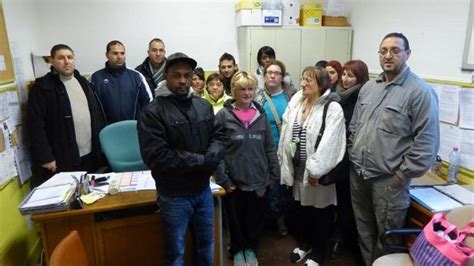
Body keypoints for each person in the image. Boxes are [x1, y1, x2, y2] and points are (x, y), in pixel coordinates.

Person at [348, 32, 440, 265]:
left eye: (395, 50)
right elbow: (355, 126)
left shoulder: (419, 92)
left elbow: (427, 142)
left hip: (389, 181)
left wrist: (402, 174)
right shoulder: (369, 87)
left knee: (386, 236)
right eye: (383, 50)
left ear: (408, 54)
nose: (388, 55)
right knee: (364, 229)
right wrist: (352, 153)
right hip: (359, 174)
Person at [137, 52, 226, 266]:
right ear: (166, 76)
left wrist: (212, 156)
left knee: (207, 245)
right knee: (176, 252)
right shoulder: (152, 112)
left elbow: (219, 136)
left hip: (203, 191)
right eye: (176, 75)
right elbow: (158, 156)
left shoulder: (202, 105)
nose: (183, 81)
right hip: (174, 196)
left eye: (187, 75)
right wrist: (203, 162)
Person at [279, 66, 346, 266]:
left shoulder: (332, 108)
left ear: (322, 84)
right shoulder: (297, 101)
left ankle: (318, 253)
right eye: (303, 79)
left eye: (309, 80)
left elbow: (331, 143)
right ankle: (304, 244)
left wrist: (316, 170)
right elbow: (286, 133)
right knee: (302, 211)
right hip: (298, 171)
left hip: (317, 174)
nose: (303, 83)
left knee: (320, 214)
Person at [214, 71, 280, 266]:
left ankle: (250, 248)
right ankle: (237, 250)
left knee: (255, 218)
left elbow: (269, 146)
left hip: (259, 178)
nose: (246, 93)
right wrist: (223, 179)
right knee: (235, 219)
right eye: (242, 89)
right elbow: (217, 150)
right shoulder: (223, 116)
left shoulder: (261, 115)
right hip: (234, 180)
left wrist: (274, 174)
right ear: (233, 90)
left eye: (250, 88)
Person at [27, 44, 105, 187]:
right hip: (63, 156)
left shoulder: (82, 81)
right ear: (52, 61)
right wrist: (45, 157)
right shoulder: (43, 87)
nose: (67, 61)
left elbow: (95, 114)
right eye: (61, 58)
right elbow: (35, 126)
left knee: (91, 192)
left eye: (70, 57)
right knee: (71, 197)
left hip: (90, 153)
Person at [329, 60, 369, 261]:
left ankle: (340, 238)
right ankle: (331, 235)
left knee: (345, 202)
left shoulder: (362, 99)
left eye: (350, 76)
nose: (345, 79)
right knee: (331, 200)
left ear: (360, 79)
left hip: (349, 159)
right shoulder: (334, 96)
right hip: (332, 157)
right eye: (343, 74)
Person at [255, 60, 296, 237]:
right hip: (262, 151)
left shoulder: (291, 97)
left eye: (277, 73)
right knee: (265, 188)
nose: (272, 75)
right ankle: (264, 221)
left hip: (284, 151)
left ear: (282, 77)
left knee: (282, 187)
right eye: (269, 72)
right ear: (264, 76)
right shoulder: (257, 97)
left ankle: (281, 220)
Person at [91, 40, 152, 124]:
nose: (119, 57)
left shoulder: (137, 76)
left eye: (122, 53)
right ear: (107, 55)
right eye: (115, 53)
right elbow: (91, 107)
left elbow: (148, 104)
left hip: (133, 129)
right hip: (106, 131)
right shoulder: (96, 78)